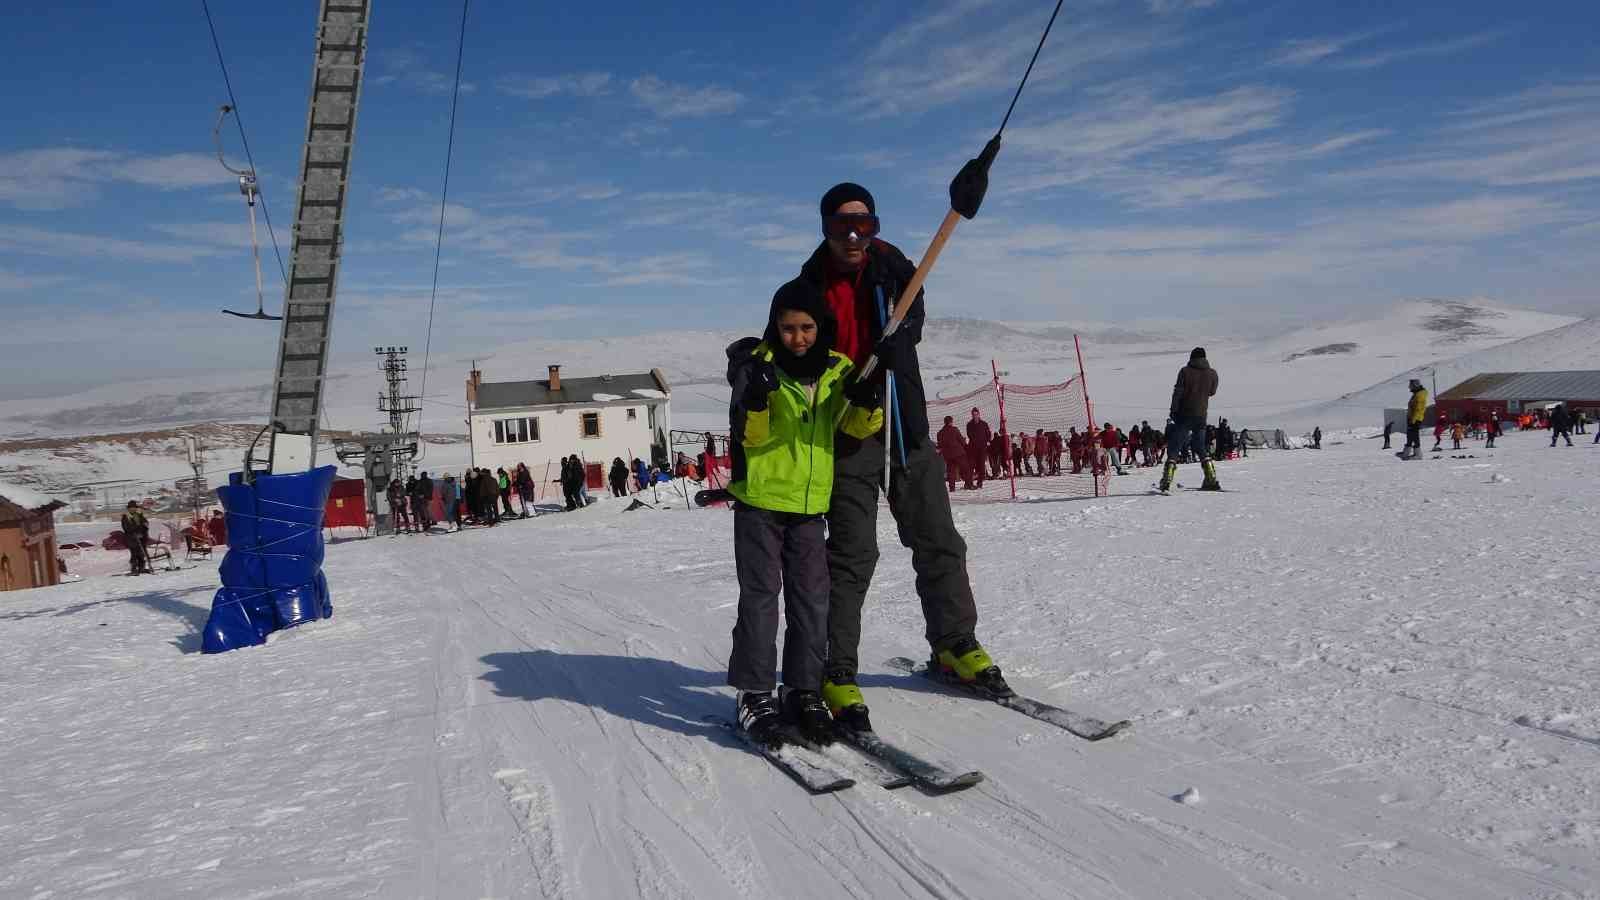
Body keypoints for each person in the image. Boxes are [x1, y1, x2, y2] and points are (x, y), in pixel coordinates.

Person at [792, 181, 1010, 733]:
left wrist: (902, 333)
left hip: (906, 426)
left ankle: (954, 644)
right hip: (847, 437)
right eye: (841, 225)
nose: (853, 235)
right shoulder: (807, 286)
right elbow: (798, 356)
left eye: (863, 223)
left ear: (876, 225)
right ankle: (835, 670)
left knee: (938, 539)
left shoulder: (894, 268)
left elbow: (916, 311)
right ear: (825, 229)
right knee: (851, 555)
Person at [723, 276, 883, 747]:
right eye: (788, 327)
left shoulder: (837, 368)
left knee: (813, 600)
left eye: (807, 327)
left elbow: (850, 427)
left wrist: (867, 400)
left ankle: (802, 688)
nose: (798, 337)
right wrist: (755, 401)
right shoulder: (758, 369)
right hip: (761, 503)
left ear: (821, 326)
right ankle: (754, 692)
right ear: (775, 326)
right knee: (761, 598)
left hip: (812, 506)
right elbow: (750, 439)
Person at [1158, 347, 1221, 492]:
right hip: (1201, 416)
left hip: (1184, 415)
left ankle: (1167, 479)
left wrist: (1173, 411)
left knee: (1175, 446)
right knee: (1200, 447)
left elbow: (1177, 392)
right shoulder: (1212, 373)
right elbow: (1212, 392)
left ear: (1192, 357)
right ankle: (1210, 477)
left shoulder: (1185, 371)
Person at [936, 415, 971, 490]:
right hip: (958, 453)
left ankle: (952, 487)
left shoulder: (940, 433)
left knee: (951, 471)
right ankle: (968, 484)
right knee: (965, 468)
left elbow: (940, 444)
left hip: (948, 455)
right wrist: (966, 446)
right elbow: (961, 440)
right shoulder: (954, 429)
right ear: (951, 422)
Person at [120, 501, 151, 575]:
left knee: (142, 553)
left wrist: (143, 529)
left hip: (142, 537)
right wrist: (137, 530)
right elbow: (126, 528)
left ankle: (141, 568)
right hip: (131, 538)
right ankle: (134, 569)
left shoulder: (139, 515)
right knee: (134, 553)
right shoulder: (125, 517)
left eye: (134, 507)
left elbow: (145, 524)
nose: (133, 509)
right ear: (128, 509)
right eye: (131, 508)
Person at [1401, 379, 1428, 460]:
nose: (1409, 387)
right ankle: (1407, 451)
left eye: (1411, 385)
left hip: (1416, 419)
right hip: (1412, 418)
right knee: (1410, 435)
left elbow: (1418, 409)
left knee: (1414, 435)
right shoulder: (1416, 394)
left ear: (1415, 386)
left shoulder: (1420, 395)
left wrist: (1413, 420)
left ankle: (1418, 454)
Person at [965, 408, 990, 489]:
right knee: (971, 466)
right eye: (973, 414)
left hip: (982, 449)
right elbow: (969, 435)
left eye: (976, 414)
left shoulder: (984, 424)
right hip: (972, 449)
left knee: (981, 467)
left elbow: (988, 434)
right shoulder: (969, 424)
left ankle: (980, 482)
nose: (975, 416)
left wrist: (987, 441)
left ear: (979, 414)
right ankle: (969, 483)